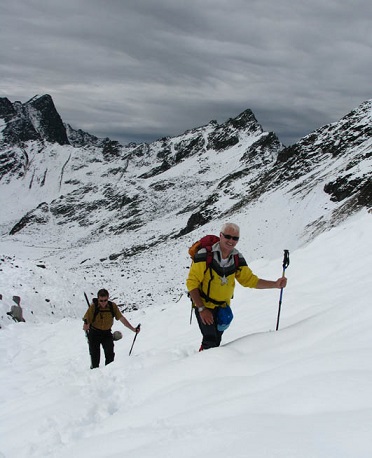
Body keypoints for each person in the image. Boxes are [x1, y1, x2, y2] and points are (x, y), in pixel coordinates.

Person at [186, 223, 287, 351]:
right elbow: (192, 283)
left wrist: (275, 284)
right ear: (221, 236)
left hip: (223, 307)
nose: (231, 241)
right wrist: (201, 309)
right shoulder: (205, 255)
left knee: (216, 340)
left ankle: (205, 360)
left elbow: (249, 280)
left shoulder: (236, 257)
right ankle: (202, 365)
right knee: (210, 341)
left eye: (235, 238)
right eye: (228, 236)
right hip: (205, 305)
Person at [83, 289, 140, 368]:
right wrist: (86, 325)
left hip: (106, 333)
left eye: (105, 300)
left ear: (108, 298)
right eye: (101, 300)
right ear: (98, 299)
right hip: (94, 333)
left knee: (110, 354)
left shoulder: (112, 306)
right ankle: (94, 374)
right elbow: (86, 321)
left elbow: (122, 319)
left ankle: (109, 373)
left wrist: (133, 329)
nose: (103, 303)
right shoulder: (93, 307)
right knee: (95, 356)